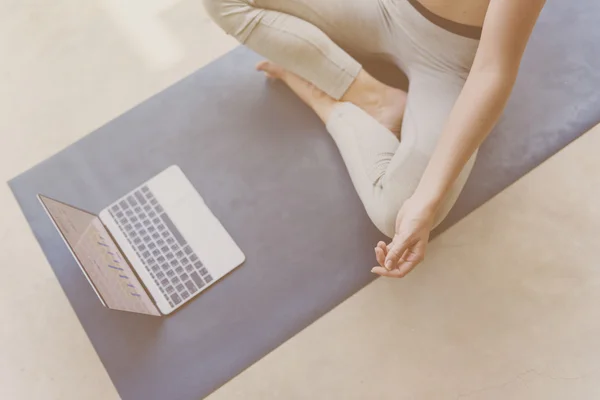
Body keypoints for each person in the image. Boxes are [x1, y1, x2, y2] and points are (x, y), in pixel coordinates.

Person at [203, 0, 546, 277]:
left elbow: (493, 71)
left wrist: (425, 200)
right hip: (383, 10)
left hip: (451, 60)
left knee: (397, 214)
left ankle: (322, 96)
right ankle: (370, 96)